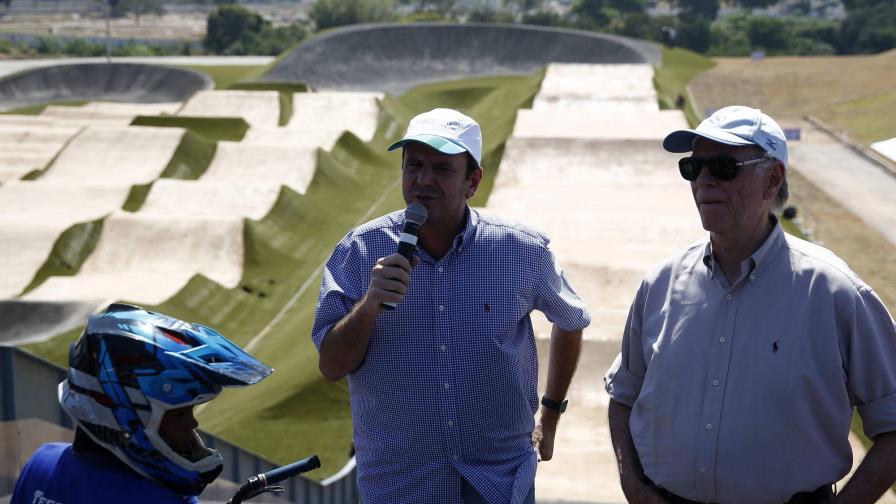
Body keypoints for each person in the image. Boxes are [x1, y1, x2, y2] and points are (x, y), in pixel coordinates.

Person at [604, 105, 896, 504]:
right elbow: (623, 396)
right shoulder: (660, 284)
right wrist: (633, 485)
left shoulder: (835, 292)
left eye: (723, 167)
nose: (704, 181)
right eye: (694, 168)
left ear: (772, 179)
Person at [312, 108, 591, 504]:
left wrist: (550, 413)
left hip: (496, 482)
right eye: (414, 166)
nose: (423, 180)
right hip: (400, 486)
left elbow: (571, 319)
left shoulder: (521, 251)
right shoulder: (359, 251)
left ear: (472, 181)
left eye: (442, 168)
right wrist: (370, 305)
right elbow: (331, 366)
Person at [12, 303, 273, 504]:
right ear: (125, 415)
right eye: (180, 413)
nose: (193, 423)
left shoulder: (40, 465)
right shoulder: (160, 498)